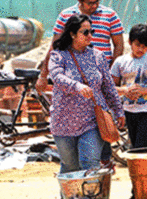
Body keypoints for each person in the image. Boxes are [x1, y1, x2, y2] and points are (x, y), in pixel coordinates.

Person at [48, 14, 125, 174]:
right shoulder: (58, 55)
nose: (90, 36)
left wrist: (118, 111)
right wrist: (76, 86)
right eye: (85, 32)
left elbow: (109, 86)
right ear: (72, 34)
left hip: (92, 121)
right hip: (63, 123)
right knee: (70, 167)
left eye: (92, 31)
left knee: (90, 163)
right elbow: (56, 76)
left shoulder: (97, 56)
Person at [38, 0, 124, 92]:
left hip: (101, 79)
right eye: (90, 3)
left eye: (97, 1)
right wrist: (43, 76)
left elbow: (119, 46)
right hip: (72, 79)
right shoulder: (65, 16)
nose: (94, 6)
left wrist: (111, 75)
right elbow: (55, 47)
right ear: (80, 0)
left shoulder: (110, 15)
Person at [111, 24, 147, 150]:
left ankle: (141, 169)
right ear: (130, 42)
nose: (141, 49)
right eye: (138, 45)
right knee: (134, 145)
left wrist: (144, 90)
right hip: (128, 109)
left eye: (145, 46)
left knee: (142, 146)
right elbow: (111, 88)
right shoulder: (120, 62)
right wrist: (125, 91)